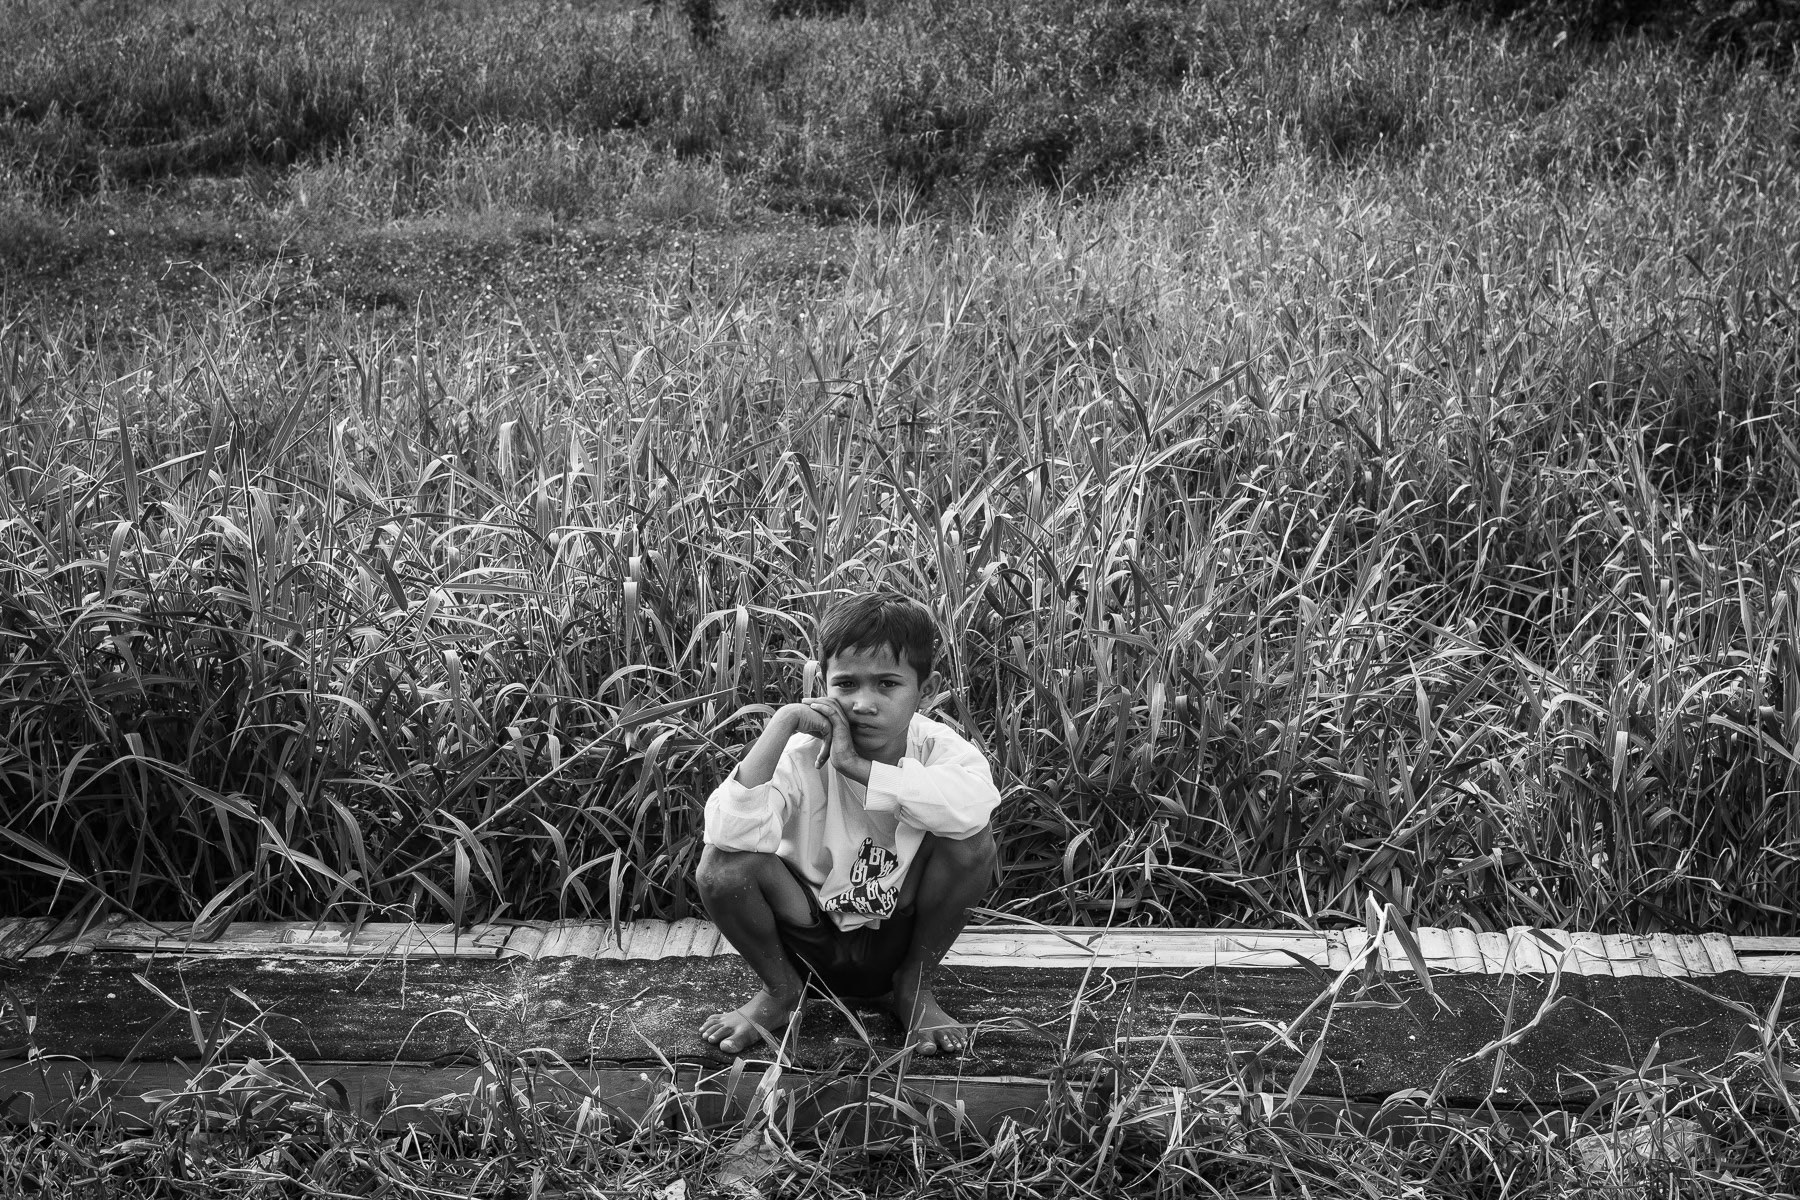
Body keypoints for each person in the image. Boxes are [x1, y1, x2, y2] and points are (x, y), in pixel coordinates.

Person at [696, 592, 1000, 1057]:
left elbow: (973, 808)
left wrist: (859, 767)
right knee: (722, 866)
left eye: (887, 684)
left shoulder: (943, 750)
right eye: (846, 684)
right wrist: (784, 723)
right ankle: (781, 992)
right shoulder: (797, 756)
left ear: (927, 689)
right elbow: (726, 836)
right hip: (807, 939)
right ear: (821, 684)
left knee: (972, 840)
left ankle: (913, 989)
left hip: (896, 933)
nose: (863, 703)